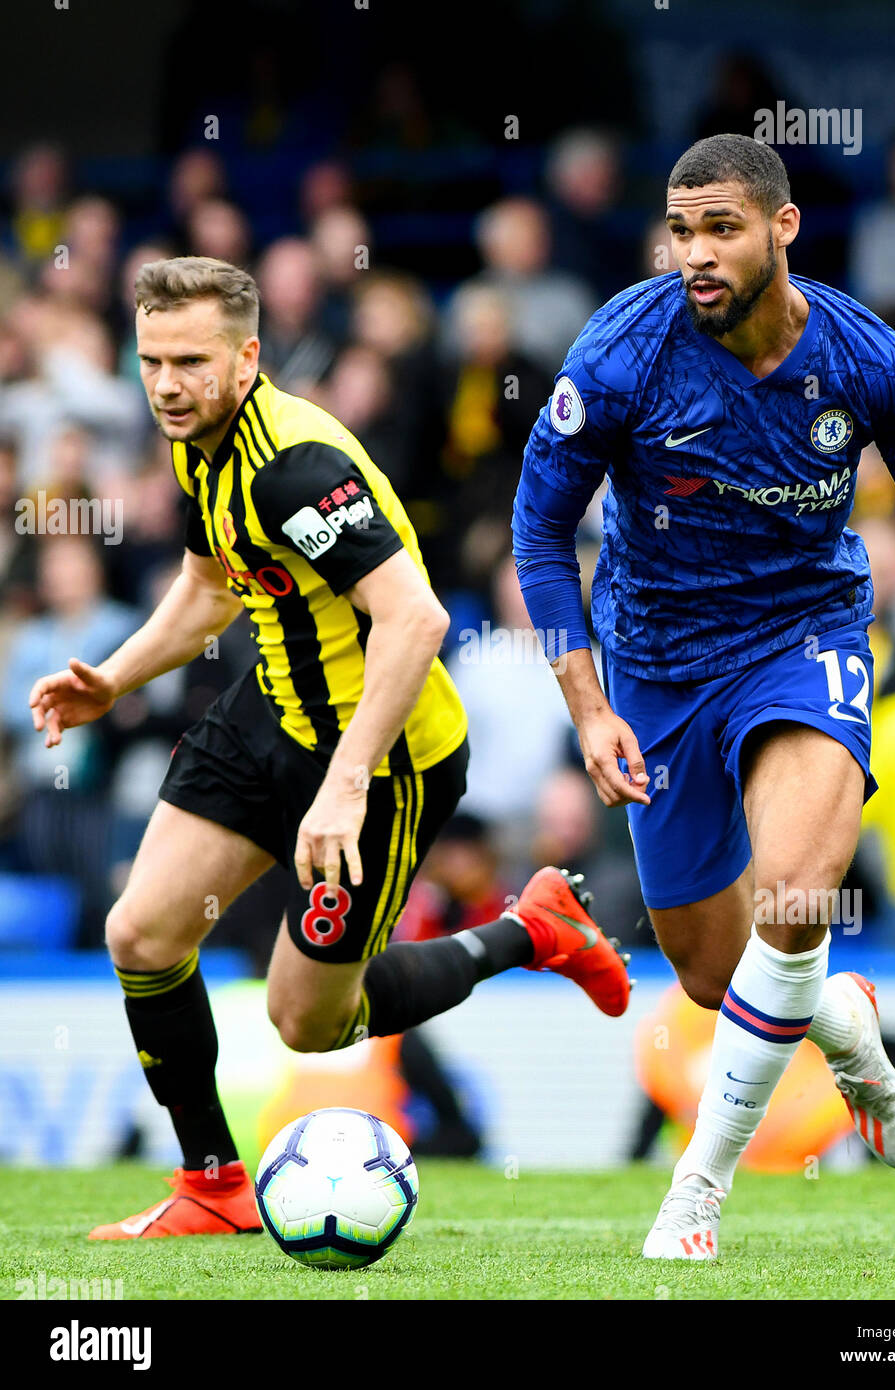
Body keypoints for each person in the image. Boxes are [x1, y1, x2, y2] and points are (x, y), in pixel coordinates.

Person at [28, 256, 629, 1240]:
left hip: (383, 755)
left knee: (307, 1020)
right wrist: (114, 677)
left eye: (188, 360)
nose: (166, 383)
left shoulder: (296, 466)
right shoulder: (197, 442)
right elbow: (211, 584)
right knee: (140, 934)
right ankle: (213, 1182)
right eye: (150, 361)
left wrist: (345, 782)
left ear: (246, 356)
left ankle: (533, 928)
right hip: (270, 710)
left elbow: (415, 619)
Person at [512, 134, 895, 1261]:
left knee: (789, 897)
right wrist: (586, 704)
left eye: (719, 229)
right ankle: (850, 1030)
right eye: (680, 231)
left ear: (782, 229)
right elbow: (538, 528)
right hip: (658, 661)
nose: (695, 255)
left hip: (802, 636)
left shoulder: (866, 360)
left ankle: (697, 1191)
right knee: (714, 973)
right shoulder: (620, 354)